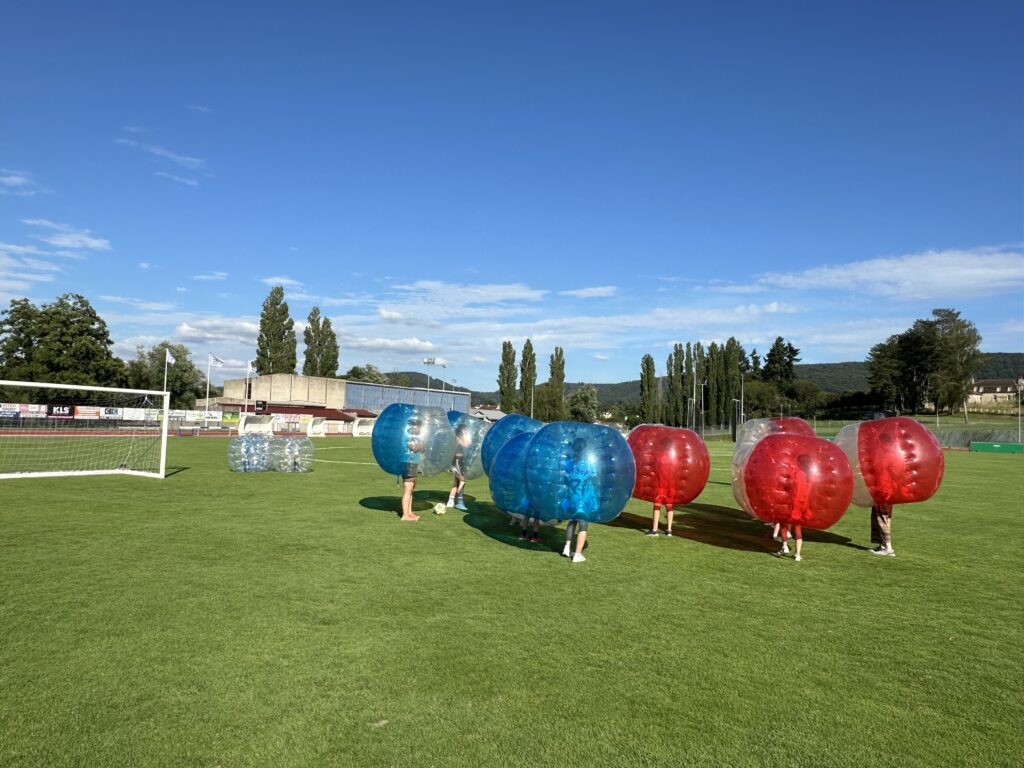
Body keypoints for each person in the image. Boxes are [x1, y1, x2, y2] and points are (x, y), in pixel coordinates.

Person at [560, 437, 598, 563]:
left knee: (572, 521)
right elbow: (594, 475)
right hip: (583, 497)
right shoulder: (587, 463)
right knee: (583, 524)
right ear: (584, 449)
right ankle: (577, 554)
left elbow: (565, 476)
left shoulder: (570, 463)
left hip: (572, 496)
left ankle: (566, 548)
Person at [776, 453, 812, 562]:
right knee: (798, 528)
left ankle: (785, 546)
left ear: (799, 462)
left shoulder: (796, 473)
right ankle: (797, 554)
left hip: (792, 503)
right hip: (803, 505)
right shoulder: (810, 476)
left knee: (783, 523)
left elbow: (789, 486)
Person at [648, 438, 677, 537]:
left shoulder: (660, 456)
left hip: (660, 485)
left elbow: (653, 466)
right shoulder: (674, 458)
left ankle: (655, 530)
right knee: (669, 507)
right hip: (671, 486)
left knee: (657, 506)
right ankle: (669, 530)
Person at [400, 421, 424, 522]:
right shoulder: (408, 437)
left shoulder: (416, 437)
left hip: (414, 463)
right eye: (418, 427)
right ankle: (405, 515)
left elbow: (421, 450)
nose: (419, 429)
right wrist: (422, 444)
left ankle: (409, 512)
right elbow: (414, 447)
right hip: (408, 464)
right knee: (408, 489)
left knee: (411, 488)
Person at [444, 425, 472, 512]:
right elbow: (466, 444)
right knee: (462, 481)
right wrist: (468, 439)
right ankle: (459, 502)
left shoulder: (457, 438)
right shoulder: (458, 439)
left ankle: (450, 501)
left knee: (457, 483)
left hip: (459, 462)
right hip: (457, 462)